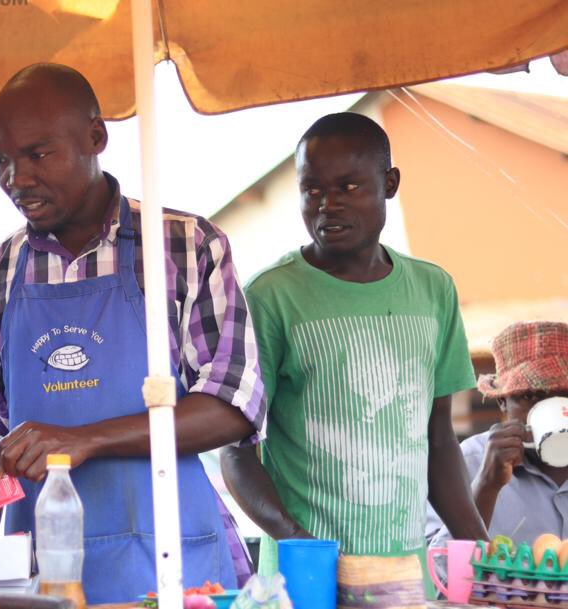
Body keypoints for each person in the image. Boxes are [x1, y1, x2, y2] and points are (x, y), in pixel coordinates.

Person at [0, 63, 266, 604]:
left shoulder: (185, 248)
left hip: (172, 565)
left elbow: (232, 405)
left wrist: (82, 440)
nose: (17, 178)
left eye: (38, 153)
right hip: (41, 575)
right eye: (1, 160)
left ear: (96, 137)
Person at [220, 112, 488, 577]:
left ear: (390, 182)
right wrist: (303, 546)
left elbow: (439, 440)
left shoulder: (434, 290)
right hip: (306, 580)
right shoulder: (270, 296)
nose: (328, 205)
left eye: (348, 187)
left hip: (405, 579)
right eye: (313, 190)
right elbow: (235, 448)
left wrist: (481, 548)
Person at [427, 321, 568, 545]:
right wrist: (486, 485)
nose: (550, 407)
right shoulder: (466, 463)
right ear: (503, 401)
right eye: (531, 396)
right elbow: (439, 573)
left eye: (565, 396)